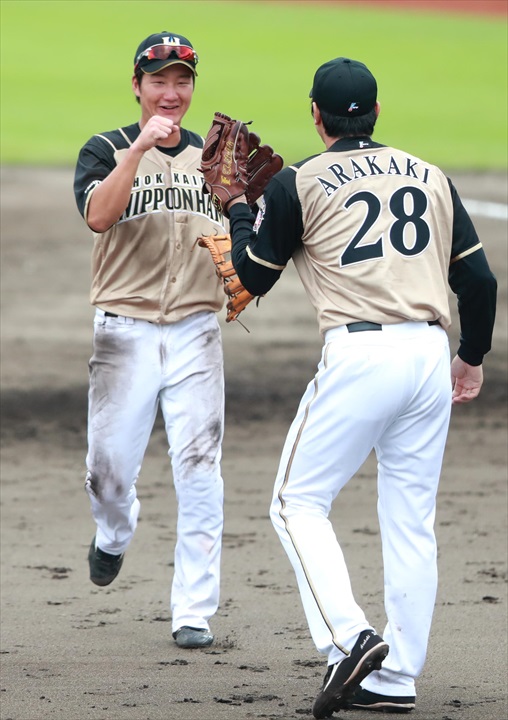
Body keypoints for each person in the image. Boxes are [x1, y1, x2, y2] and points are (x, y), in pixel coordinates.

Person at [224, 58, 497, 716]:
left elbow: (251, 277)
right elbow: (480, 282)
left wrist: (238, 211)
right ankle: (395, 679)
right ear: (375, 113)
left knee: (296, 503)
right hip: (429, 357)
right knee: (411, 521)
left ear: (315, 115)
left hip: (361, 357)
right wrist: (471, 357)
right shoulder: (430, 175)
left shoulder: (298, 181)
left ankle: (350, 639)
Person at [73, 31, 229, 650]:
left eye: (182, 81)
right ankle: (114, 534)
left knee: (200, 470)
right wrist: (138, 149)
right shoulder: (104, 149)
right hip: (124, 333)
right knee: (108, 477)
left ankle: (194, 610)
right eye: (159, 80)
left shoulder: (217, 158)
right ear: (137, 85)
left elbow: (247, 233)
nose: (171, 92)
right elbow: (98, 216)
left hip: (196, 331)